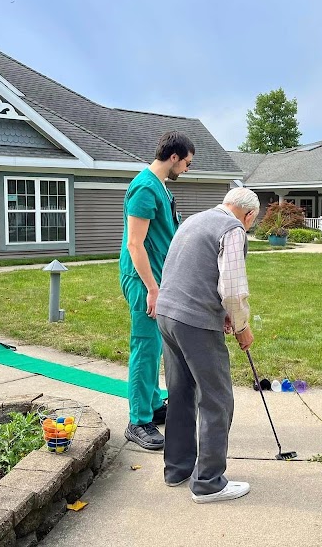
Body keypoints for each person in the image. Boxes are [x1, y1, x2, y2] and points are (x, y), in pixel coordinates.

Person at [156, 187, 260, 504]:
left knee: (181, 393)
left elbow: (194, 272)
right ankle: (209, 483)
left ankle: (177, 469)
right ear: (250, 214)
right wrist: (241, 325)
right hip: (194, 321)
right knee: (217, 399)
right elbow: (232, 289)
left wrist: (223, 316)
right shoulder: (232, 228)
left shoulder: (196, 219)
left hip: (167, 313)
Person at [120, 130, 194, 450]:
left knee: (155, 345)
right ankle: (138, 421)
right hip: (142, 280)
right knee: (145, 348)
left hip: (157, 280)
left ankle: (151, 405)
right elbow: (135, 245)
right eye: (187, 163)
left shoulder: (160, 187)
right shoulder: (144, 189)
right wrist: (152, 288)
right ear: (173, 157)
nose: (188, 169)